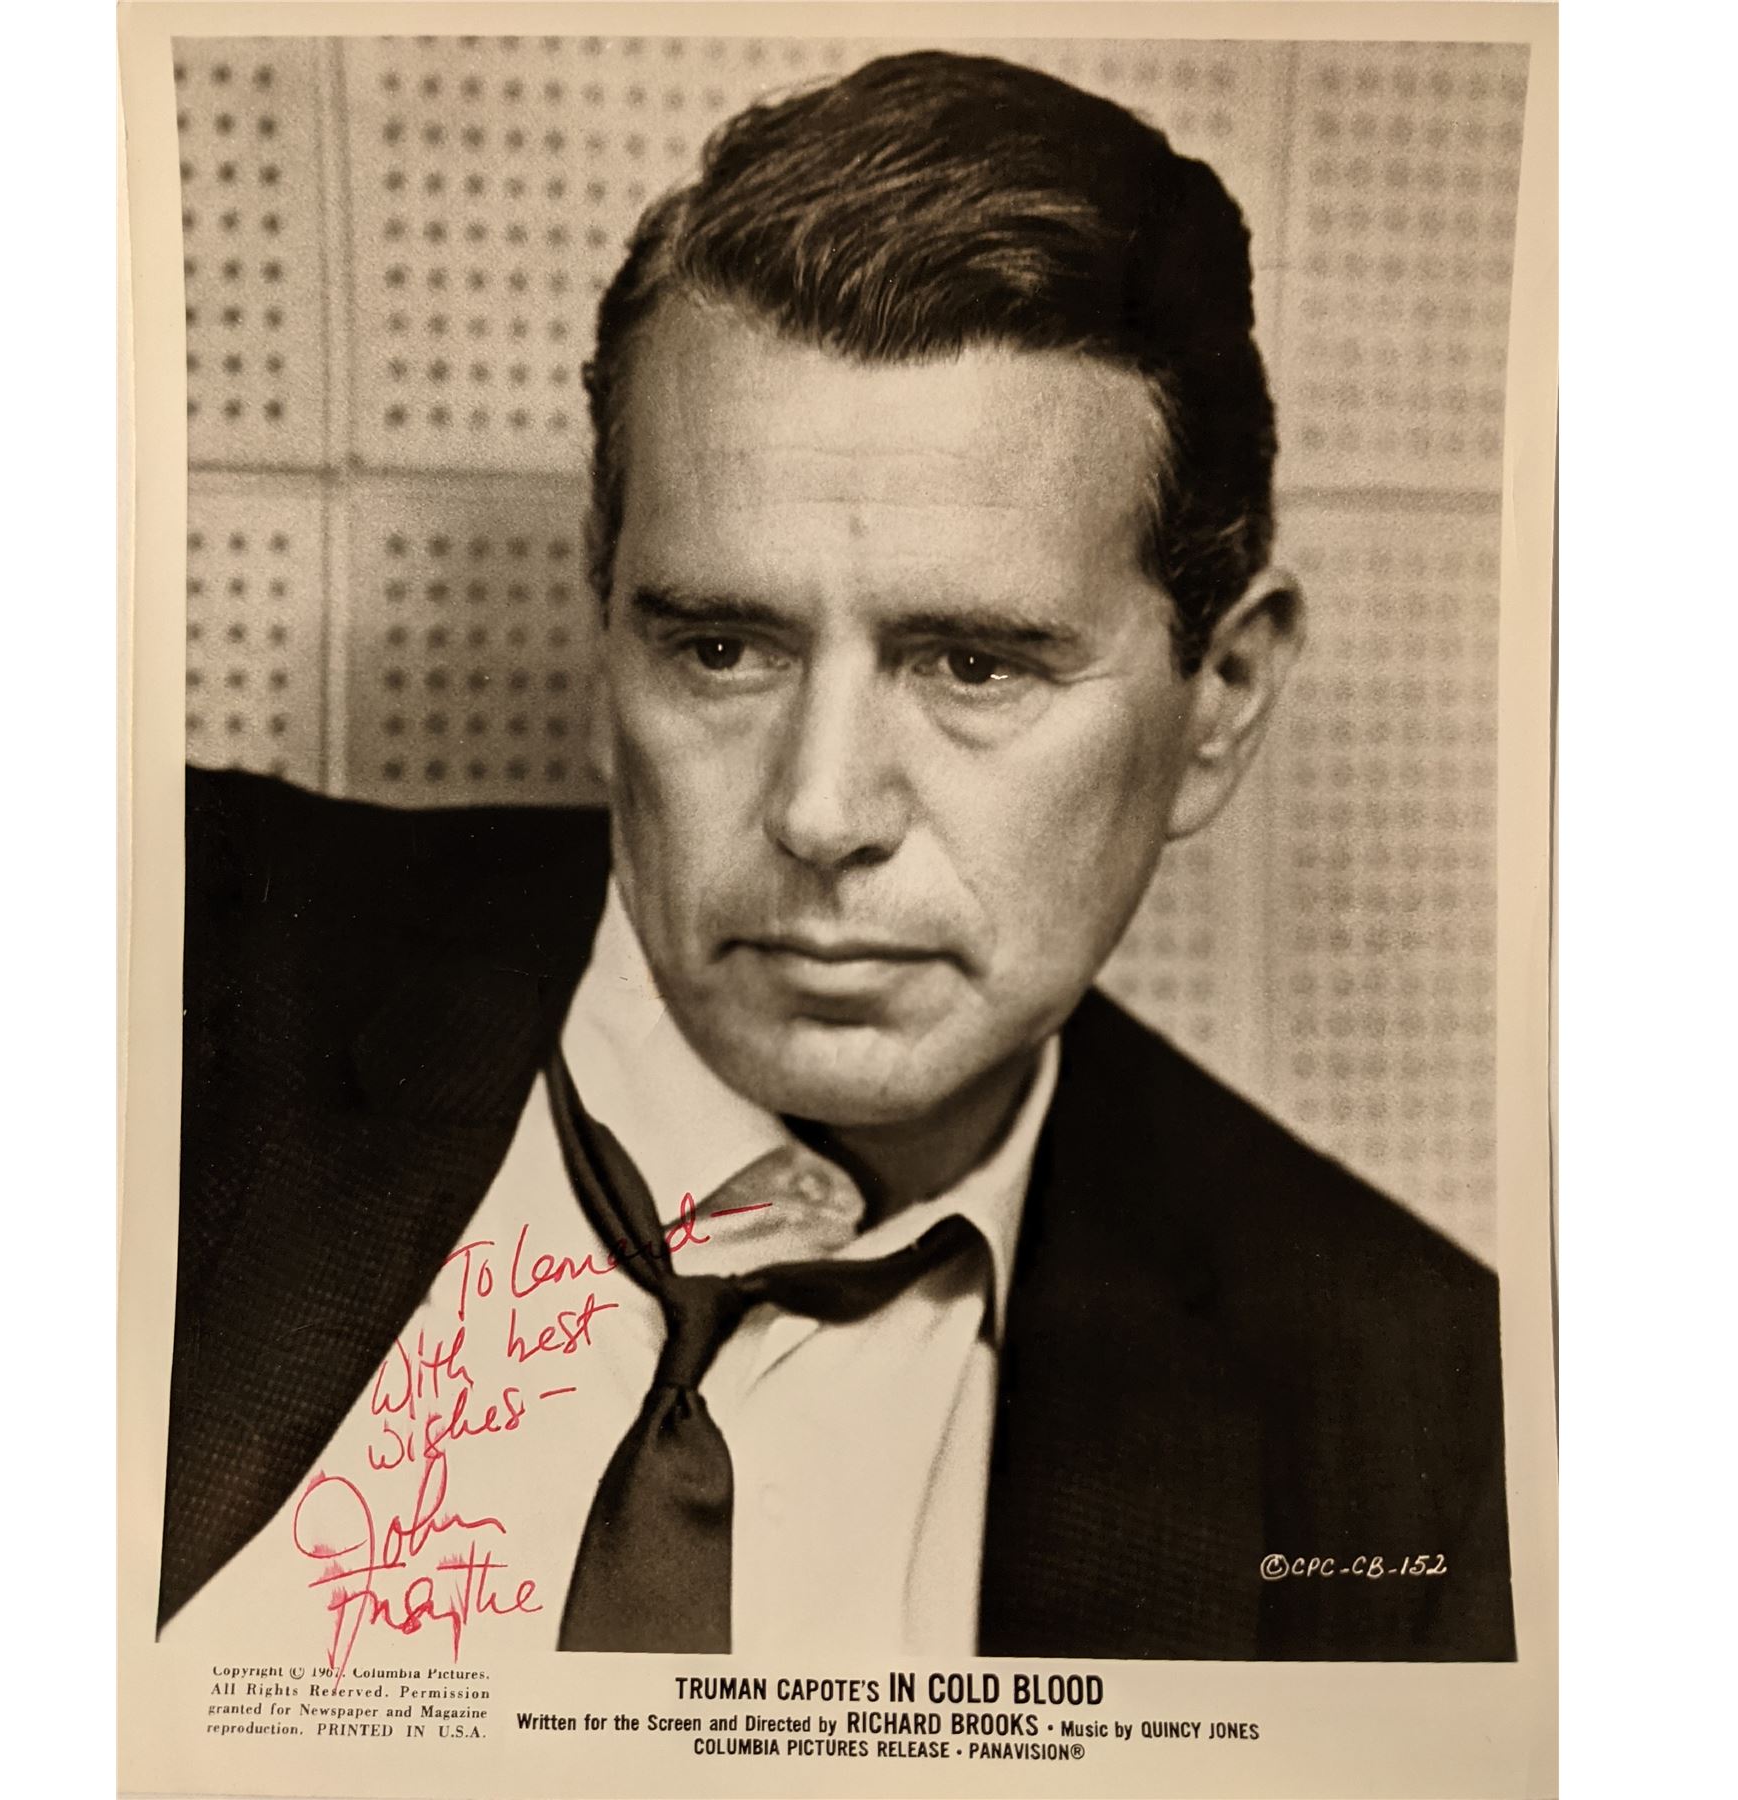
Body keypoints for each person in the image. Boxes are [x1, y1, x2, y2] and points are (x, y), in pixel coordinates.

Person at [158, 49, 1515, 1662]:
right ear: (605, 624)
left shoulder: (1425, 1429)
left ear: (1220, 697)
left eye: (976, 665)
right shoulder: (161, 960)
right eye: (721, 649)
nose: (818, 812)